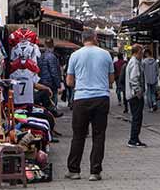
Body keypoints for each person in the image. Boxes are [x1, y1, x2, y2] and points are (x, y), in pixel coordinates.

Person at [65, 31, 115, 181]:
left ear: (82, 40)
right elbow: (111, 79)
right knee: (99, 135)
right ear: (95, 38)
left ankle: (74, 170)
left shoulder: (75, 55)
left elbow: (69, 81)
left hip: (81, 98)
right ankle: (95, 171)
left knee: (78, 135)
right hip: (101, 98)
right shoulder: (106, 55)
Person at [125, 44, 147, 147]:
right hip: (134, 95)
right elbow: (134, 79)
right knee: (137, 117)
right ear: (137, 52)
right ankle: (133, 139)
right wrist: (138, 92)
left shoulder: (134, 62)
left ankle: (135, 138)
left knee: (137, 117)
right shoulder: (134, 63)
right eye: (141, 52)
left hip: (132, 94)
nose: (142, 54)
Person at [39, 39, 63, 118]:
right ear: (53, 45)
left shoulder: (41, 56)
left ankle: (47, 115)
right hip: (51, 83)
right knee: (52, 101)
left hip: (43, 82)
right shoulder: (52, 57)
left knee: (46, 101)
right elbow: (54, 72)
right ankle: (52, 115)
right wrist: (58, 84)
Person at [142, 47, 160, 112]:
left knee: (148, 93)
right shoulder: (154, 61)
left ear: (146, 54)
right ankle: (154, 102)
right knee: (153, 93)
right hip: (154, 79)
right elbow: (157, 71)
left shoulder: (144, 62)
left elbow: (142, 71)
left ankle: (151, 107)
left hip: (147, 79)